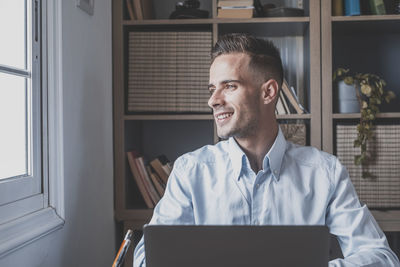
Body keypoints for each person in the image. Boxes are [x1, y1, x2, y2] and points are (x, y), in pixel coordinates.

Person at [134, 33, 399, 267]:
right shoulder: (191, 171)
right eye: (212, 89)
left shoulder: (324, 173)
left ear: (269, 92)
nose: (213, 100)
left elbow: (380, 256)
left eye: (229, 86)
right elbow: (147, 258)